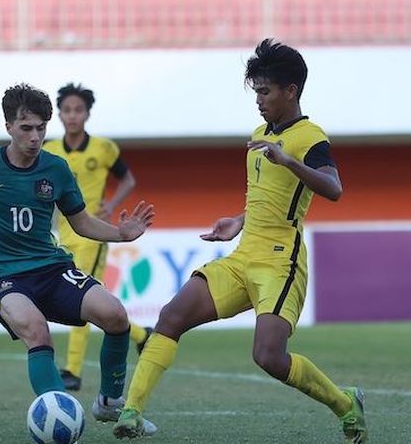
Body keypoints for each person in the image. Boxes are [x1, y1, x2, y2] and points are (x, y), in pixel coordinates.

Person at [113, 39, 368, 443]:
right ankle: (131, 412)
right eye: (256, 92)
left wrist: (289, 160)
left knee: (268, 356)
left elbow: (334, 189)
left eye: (265, 91)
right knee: (170, 317)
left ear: (291, 91)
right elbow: (269, 198)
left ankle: (344, 403)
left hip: (280, 262)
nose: (259, 100)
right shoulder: (258, 134)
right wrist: (238, 219)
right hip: (243, 254)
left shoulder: (310, 137)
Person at [0, 83, 157, 434]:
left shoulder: (56, 169)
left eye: (41, 128)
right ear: (9, 127)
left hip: (52, 267)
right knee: (37, 332)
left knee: (115, 315)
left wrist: (120, 234)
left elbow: (80, 222)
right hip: (3, 275)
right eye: (26, 128)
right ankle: (61, 418)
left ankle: (109, 403)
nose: (35, 137)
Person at [43, 82, 152, 392]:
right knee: (86, 301)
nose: (73, 116)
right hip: (64, 235)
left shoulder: (103, 148)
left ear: (87, 113)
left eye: (78, 110)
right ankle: (142, 336)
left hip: (93, 234)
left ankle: (72, 371)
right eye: (67, 110)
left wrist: (111, 206)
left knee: (80, 299)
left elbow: (128, 180)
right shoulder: (49, 150)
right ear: (59, 115)